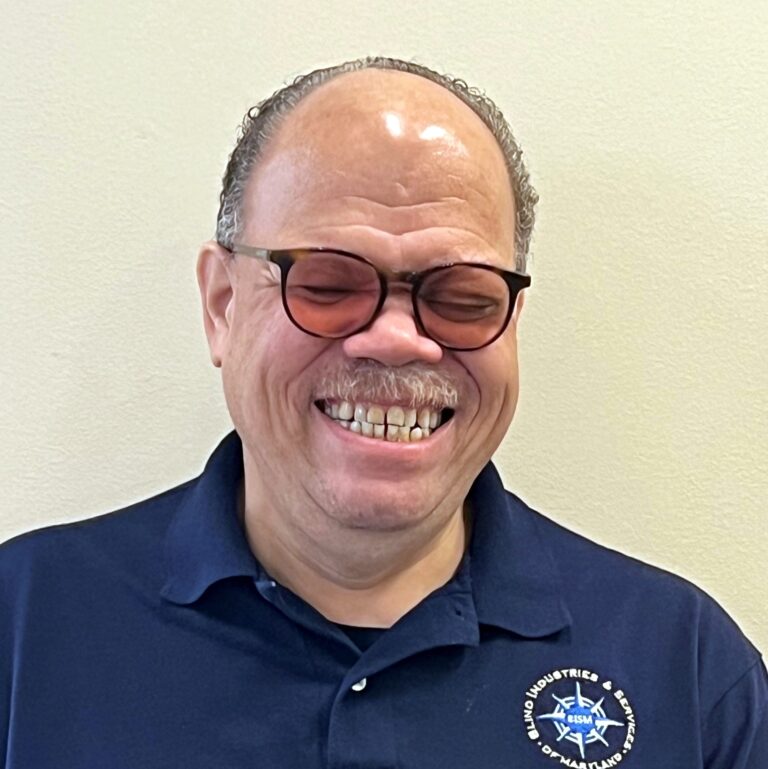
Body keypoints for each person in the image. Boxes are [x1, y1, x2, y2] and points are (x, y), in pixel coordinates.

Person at [1, 57, 765, 769]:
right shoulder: (22, 627)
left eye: (462, 297)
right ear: (222, 305)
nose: (399, 340)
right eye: (328, 285)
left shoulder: (688, 672)